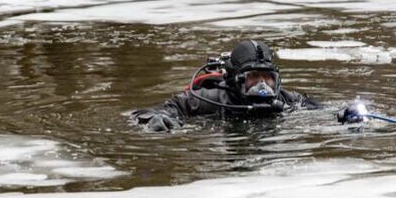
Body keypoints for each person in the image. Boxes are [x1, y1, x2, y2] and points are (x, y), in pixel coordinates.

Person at [131, 40, 321, 132]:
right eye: (253, 77)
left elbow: (319, 110)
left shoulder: (284, 99)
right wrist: (157, 119)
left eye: (268, 78)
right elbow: (148, 112)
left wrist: (346, 114)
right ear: (235, 79)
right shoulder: (208, 99)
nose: (263, 85)